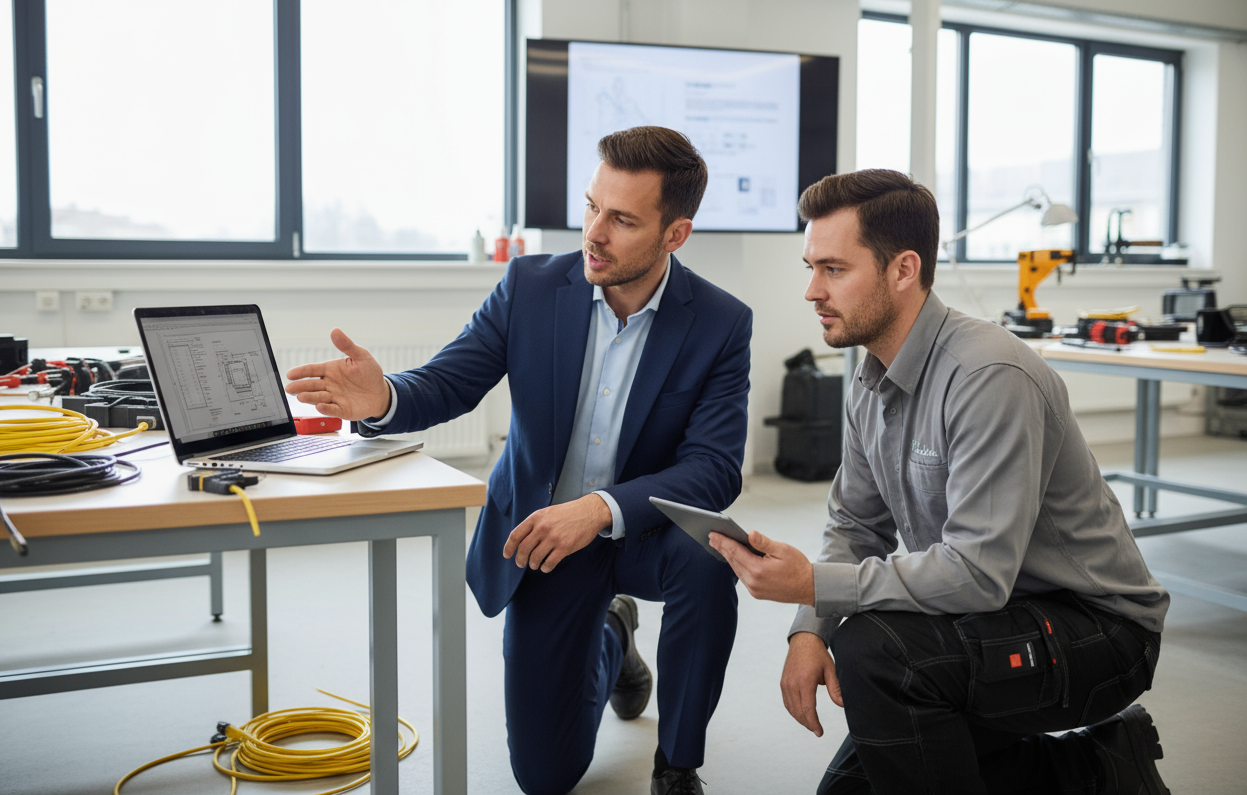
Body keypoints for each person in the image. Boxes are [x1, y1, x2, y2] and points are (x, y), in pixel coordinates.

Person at [285, 126, 751, 795]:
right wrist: (383, 395)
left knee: (712, 560)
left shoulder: (718, 322)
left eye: (620, 220)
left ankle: (677, 764)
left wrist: (598, 510)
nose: (594, 231)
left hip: (642, 531)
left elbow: (714, 469)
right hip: (546, 541)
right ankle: (614, 636)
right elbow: (447, 383)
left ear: (674, 235)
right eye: (592, 206)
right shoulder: (531, 287)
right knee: (546, 778)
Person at [709, 169, 1171, 795]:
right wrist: (809, 626)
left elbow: (978, 573)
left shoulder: (989, 374)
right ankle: (1098, 770)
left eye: (834, 270)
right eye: (810, 267)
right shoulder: (869, 377)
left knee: (876, 651)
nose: (812, 290)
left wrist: (815, 582)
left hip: (1098, 630)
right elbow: (855, 526)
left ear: (903, 269)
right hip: (997, 613)